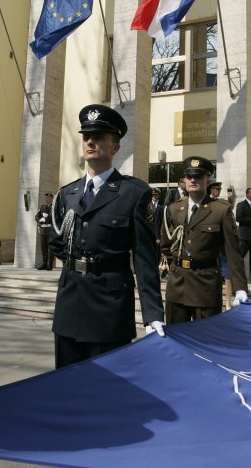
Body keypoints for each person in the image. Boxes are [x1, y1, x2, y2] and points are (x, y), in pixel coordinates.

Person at [49, 104, 164, 369]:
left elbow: (145, 259)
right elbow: (58, 242)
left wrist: (153, 315)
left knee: (106, 393)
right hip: (69, 306)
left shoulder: (133, 193)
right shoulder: (69, 193)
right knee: (65, 389)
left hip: (109, 310)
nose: (90, 141)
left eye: (99, 136)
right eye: (86, 136)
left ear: (115, 147)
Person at [160, 156, 248, 324]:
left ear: (208, 180)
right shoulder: (173, 209)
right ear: (184, 180)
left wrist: (240, 288)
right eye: (189, 176)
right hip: (177, 284)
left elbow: (233, 252)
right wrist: (177, 265)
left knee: (206, 341)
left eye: (198, 176)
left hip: (205, 285)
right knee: (177, 340)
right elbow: (166, 246)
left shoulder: (220, 210)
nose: (193, 180)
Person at [35, 192, 54, 270]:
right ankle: (44, 264)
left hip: (50, 230)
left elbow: (53, 216)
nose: (46, 199)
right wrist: (39, 220)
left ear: (51, 198)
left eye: (48, 198)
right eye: (45, 197)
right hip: (43, 231)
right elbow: (37, 216)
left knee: (50, 249)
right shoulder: (42, 207)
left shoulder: (53, 207)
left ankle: (50, 264)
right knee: (44, 248)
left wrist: (45, 219)